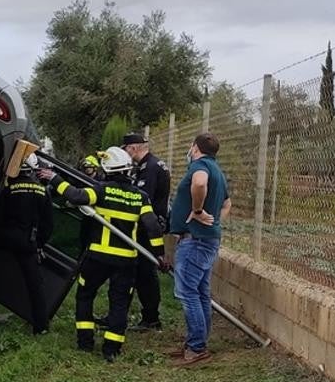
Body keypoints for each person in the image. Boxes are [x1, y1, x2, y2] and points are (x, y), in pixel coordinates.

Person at [39, 147, 166, 362]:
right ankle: (112, 349)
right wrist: (160, 255)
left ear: (107, 169)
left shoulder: (101, 190)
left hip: (98, 258)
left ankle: (85, 342)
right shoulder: (140, 197)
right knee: (119, 303)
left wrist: (53, 178)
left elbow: (76, 196)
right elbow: (152, 227)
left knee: (85, 295)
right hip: (127, 260)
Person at [168, 132, 230, 365]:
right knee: (201, 293)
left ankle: (196, 347)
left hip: (194, 240)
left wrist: (197, 211)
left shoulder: (201, 166)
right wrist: (214, 222)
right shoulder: (218, 171)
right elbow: (227, 203)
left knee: (188, 293)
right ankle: (197, 342)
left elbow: (200, 183)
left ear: (195, 148)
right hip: (206, 240)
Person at [0, 153, 54, 335]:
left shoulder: (8, 190)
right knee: (35, 285)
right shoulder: (42, 191)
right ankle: (41, 327)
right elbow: (48, 224)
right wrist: (39, 243)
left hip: (5, 238)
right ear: (32, 169)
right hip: (28, 243)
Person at [122, 133, 171, 332]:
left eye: (125, 149)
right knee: (137, 272)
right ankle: (132, 315)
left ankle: (151, 318)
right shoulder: (148, 165)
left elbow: (142, 199)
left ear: (133, 148)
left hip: (147, 228)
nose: (125, 153)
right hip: (146, 227)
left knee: (145, 273)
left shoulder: (150, 168)